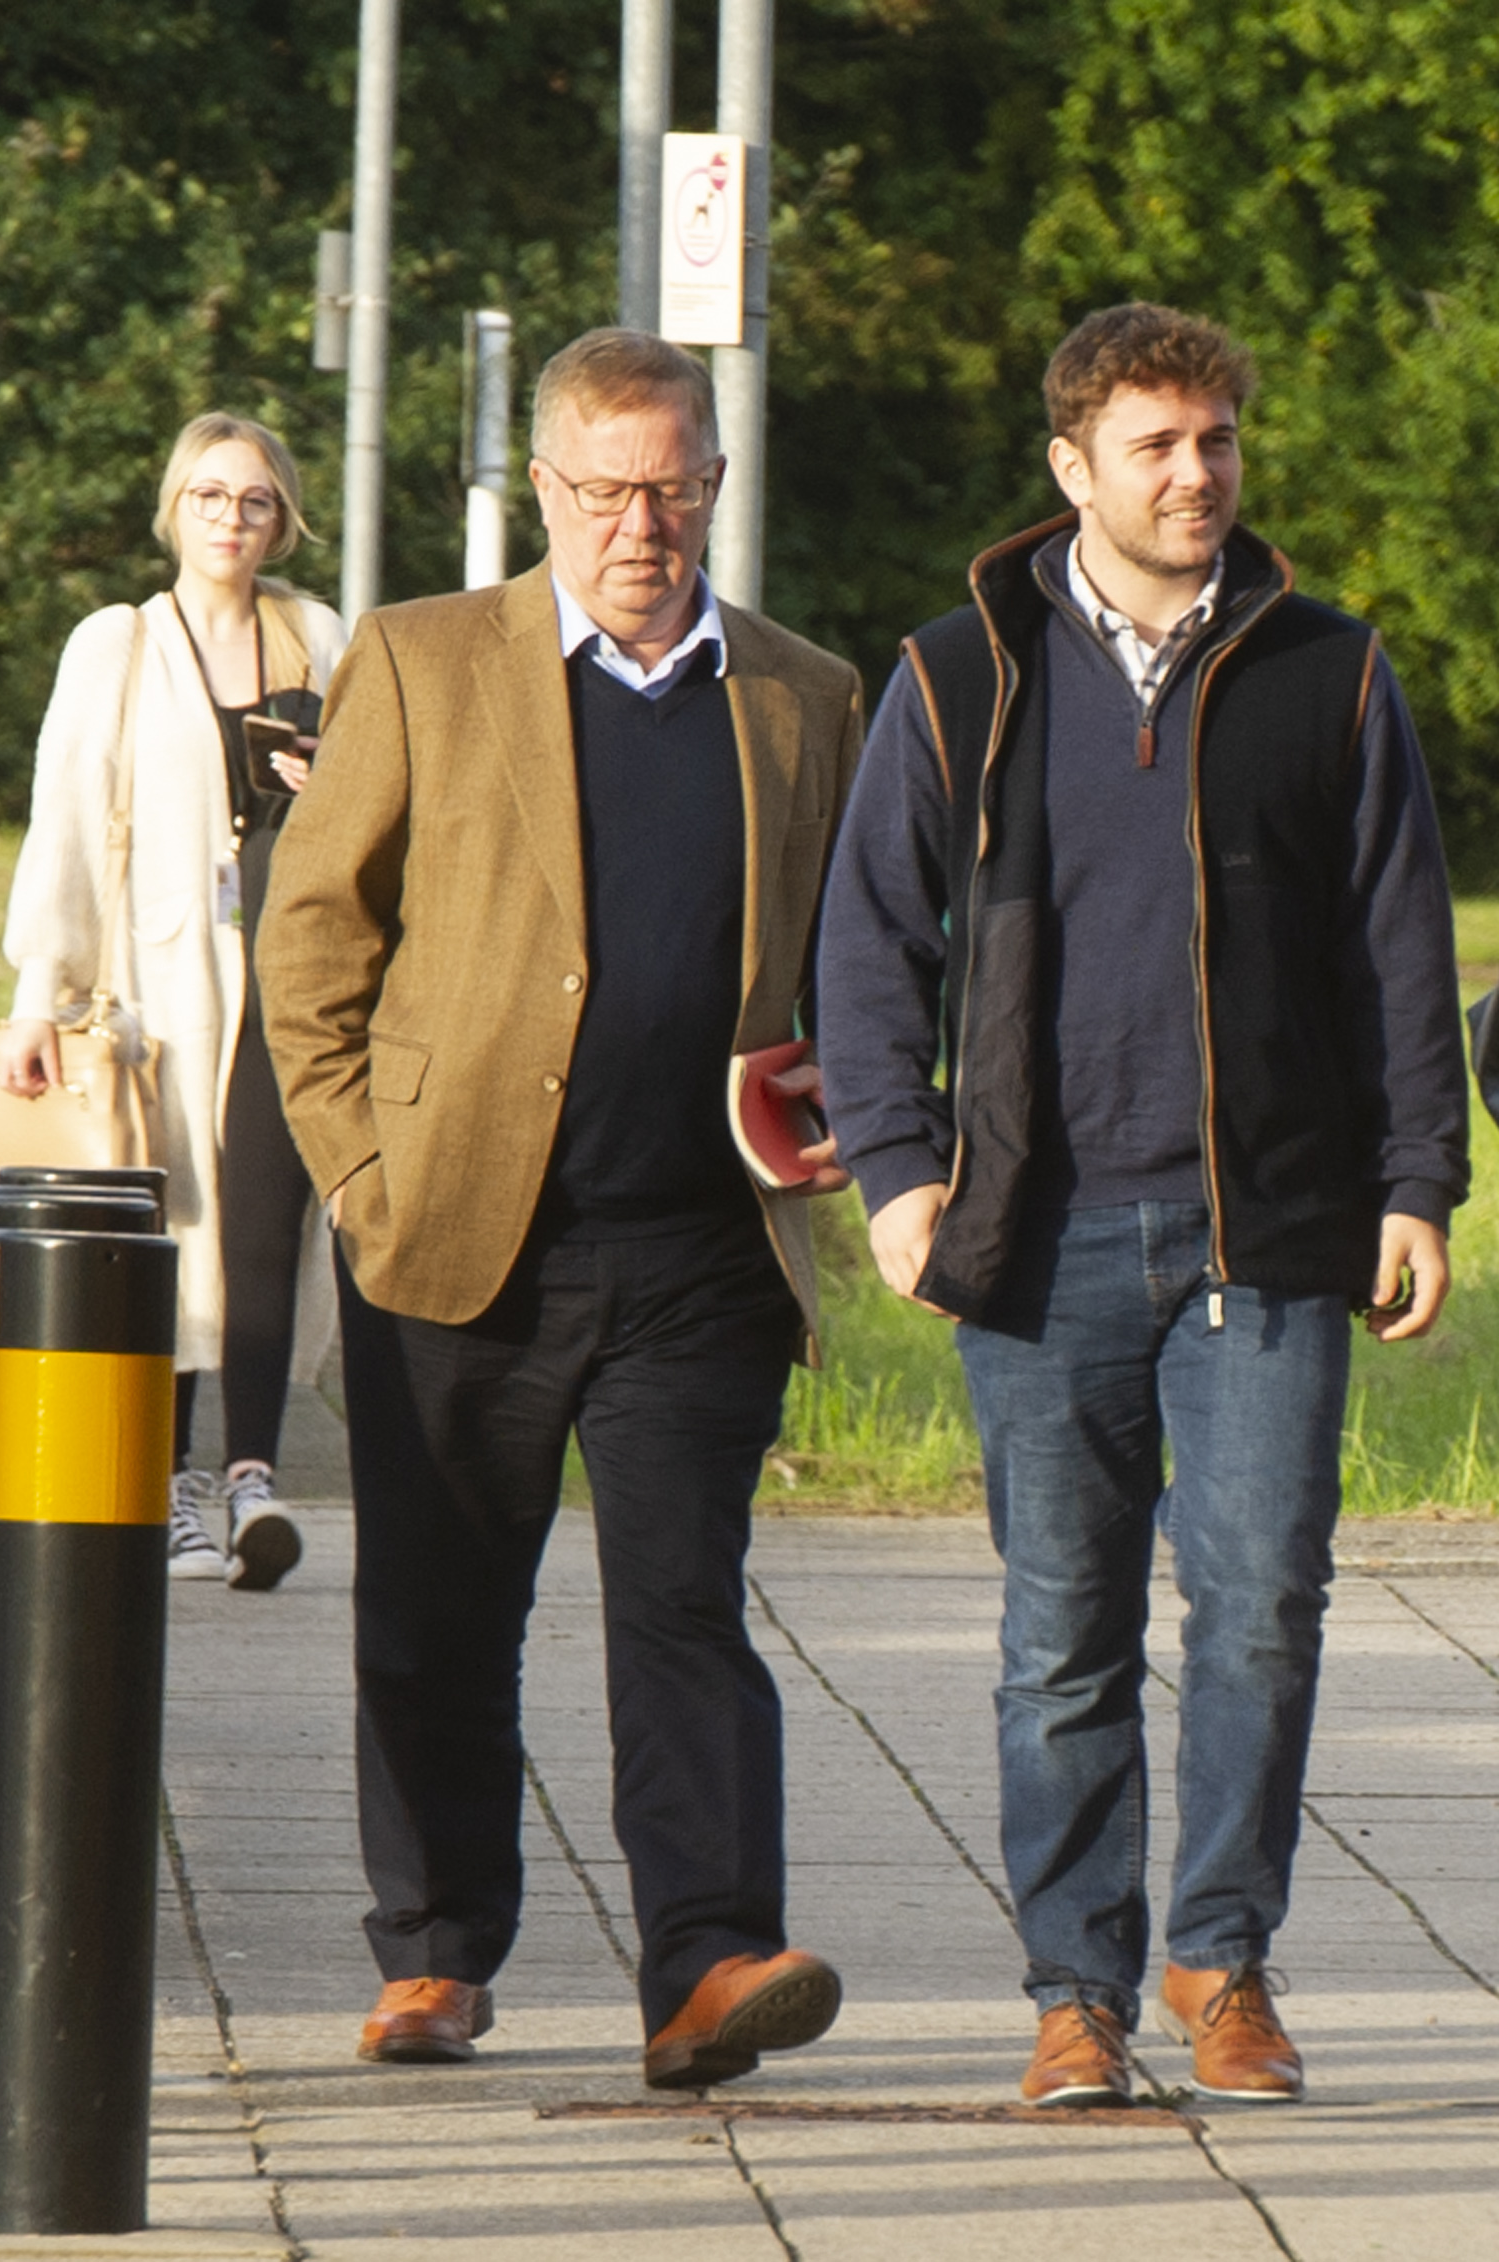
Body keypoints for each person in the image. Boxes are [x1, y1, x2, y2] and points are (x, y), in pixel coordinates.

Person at [812, 302, 1467, 2108]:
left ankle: (1221, 1957)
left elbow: (1402, 942)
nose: (1196, 476)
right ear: (1071, 469)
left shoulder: (1329, 668)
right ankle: (1074, 1989)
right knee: (1060, 1629)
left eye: (1218, 444)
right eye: (1158, 447)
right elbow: (868, 942)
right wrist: (898, 1167)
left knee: (1262, 1606)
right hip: (1038, 1232)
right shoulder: (962, 671)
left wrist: (1421, 1181)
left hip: (1268, 1231)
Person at [260, 327, 866, 2089]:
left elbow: (854, 956)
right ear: (546, 491)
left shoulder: (803, 694)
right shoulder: (424, 662)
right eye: (605, 489)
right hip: (459, 1233)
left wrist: (848, 1111)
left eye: (671, 486)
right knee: (444, 1612)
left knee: (685, 1603)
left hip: (702, 1248)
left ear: (716, 488)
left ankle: (706, 1959)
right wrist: (360, 1175)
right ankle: (437, 1951)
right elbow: (313, 938)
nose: (640, 522)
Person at [2, 412, 346, 1589]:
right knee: (175, 1221)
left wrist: (324, 777)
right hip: (157, 980)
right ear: (174, 510)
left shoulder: (318, 637)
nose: (231, 521)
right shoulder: (121, 645)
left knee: (265, 1221)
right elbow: (66, 815)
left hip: (289, 980)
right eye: (209, 497)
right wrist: (40, 990)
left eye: (252, 501)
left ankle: (252, 1475)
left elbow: (378, 799)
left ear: (282, 517)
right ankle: (168, 1478)